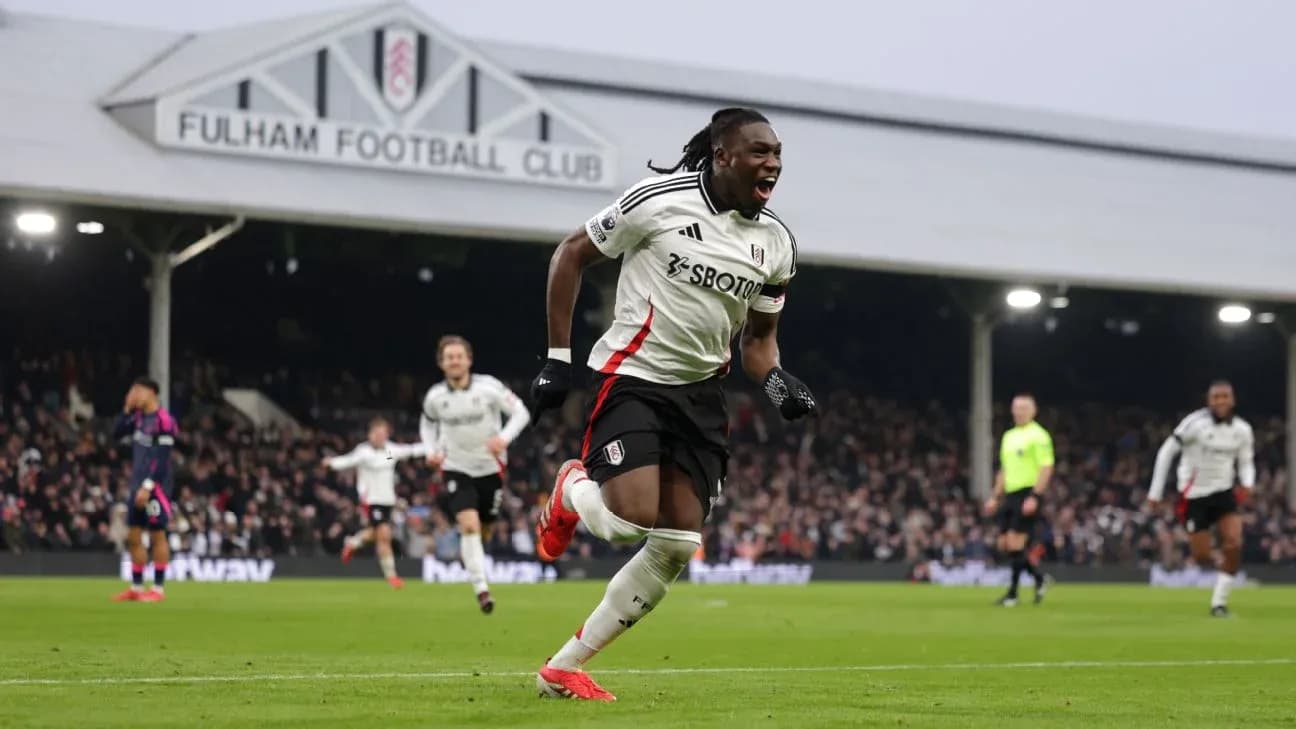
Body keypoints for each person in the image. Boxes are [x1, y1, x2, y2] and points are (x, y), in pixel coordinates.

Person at [529, 107, 817, 701]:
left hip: (703, 395)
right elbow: (570, 254)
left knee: (678, 543)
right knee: (626, 521)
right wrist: (558, 357)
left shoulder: (777, 244)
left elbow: (758, 343)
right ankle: (571, 488)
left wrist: (778, 384)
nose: (774, 164)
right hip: (633, 376)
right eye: (760, 152)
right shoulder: (659, 200)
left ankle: (563, 667)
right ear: (722, 156)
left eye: (778, 153)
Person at [420, 335, 531, 614]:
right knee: (468, 525)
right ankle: (482, 589)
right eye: (449, 357)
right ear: (441, 363)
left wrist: (504, 438)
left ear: (469, 360)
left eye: (459, 356)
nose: (455, 361)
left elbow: (521, 412)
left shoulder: (489, 387)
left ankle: (473, 557)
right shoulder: (435, 397)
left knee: (484, 528)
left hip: (491, 468)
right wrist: (432, 450)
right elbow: (427, 424)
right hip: (456, 467)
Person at [1147, 380, 1254, 617]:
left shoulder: (1242, 430)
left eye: (1225, 396)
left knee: (1234, 543)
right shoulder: (1194, 423)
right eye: (1216, 397)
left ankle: (1219, 603)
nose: (1221, 401)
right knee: (1202, 556)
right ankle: (1223, 566)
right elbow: (1166, 452)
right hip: (1194, 497)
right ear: (1209, 400)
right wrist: (1155, 492)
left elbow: (1246, 462)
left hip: (1224, 493)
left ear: (1233, 400)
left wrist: (1247, 482)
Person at [326, 416, 428, 589]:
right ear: (370, 434)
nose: (381, 437)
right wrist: (332, 463)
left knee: (377, 533)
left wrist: (435, 446)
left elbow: (411, 450)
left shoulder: (389, 452)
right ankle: (392, 577)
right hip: (371, 500)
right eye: (377, 434)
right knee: (384, 534)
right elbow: (348, 460)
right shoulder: (364, 452)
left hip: (388, 500)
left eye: (384, 434)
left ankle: (353, 542)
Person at [110, 378, 179, 603]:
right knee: (133, 536)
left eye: (137, 390)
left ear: (151, 393)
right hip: (136, 484)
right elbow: (116, 433)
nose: (134, 394)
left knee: (157, 534)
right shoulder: (138, 418)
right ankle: (136, 587)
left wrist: (148, 486)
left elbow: (162, 458)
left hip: (155, 487)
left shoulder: (164, 421)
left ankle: (158, 590)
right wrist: (125, 409)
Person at [985, 394, 1055, 606]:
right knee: (1004, 544)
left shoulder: (1039, 436)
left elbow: (1046, 467)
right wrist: (995, 496)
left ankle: (1013, 594)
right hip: (1011, 494)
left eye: (1024, 408)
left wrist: (1035, 495)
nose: (1019, 411)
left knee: (1015, 542)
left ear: (1033, 411)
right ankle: (1039, 578)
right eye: (1016, 408)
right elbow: (1004, 470)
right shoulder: (1009, 436)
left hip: (1027, 492)